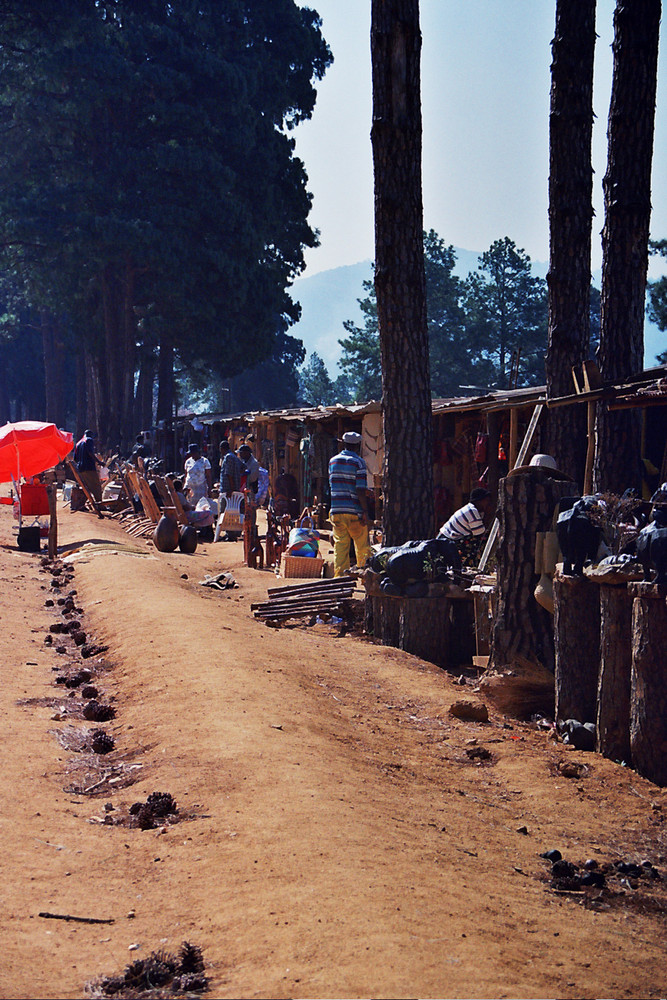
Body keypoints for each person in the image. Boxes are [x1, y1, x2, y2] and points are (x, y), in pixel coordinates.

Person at [328, 430, 372, 577]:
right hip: (354, 511)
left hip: (336, 510)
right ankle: (365, 576)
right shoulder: (359, 462)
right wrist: (365, 511)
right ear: (357, 446)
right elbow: (360, 490)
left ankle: (340, 577)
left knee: (340, 545)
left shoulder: (333, 461)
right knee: (362, 546)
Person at [438, 486, 493, 566]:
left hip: (449, 539)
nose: (488, 503)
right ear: (479, 501)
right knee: (482, 541)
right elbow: (480, 533)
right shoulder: (472, 511)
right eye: (486, 501)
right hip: (448, 541)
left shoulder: (472, 509)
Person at [219, 439, 245, 540]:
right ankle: (231, 533)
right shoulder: (234, 457)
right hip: (233, 489)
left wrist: (231, 489)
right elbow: (244, 468)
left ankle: (230, 534)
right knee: (232, 511)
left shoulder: (228, 457)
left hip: (228, 490)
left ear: (221, 449)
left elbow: (229, 474)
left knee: (225, 511)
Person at [73, 429, 103, 506]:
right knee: (96, 486)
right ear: (91, 435)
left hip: (80, 468)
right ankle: (99, 504)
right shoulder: (89, 440)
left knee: (86, 487)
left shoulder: (78, 443)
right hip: (89, 467)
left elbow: (75, 458)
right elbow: (90, 453)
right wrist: (99, 462)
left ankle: (81, 504)